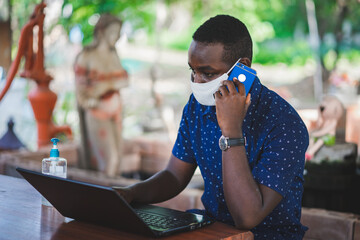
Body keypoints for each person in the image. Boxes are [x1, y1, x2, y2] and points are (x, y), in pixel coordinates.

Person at [114, 15, 309, 239]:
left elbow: (247, 218)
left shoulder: (284, 124)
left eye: (207, 73)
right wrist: (130, 193)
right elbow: (174, 175)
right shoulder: (198, 107)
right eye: (192, 71)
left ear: (242, 68)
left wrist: (231, 131)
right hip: (212, 229)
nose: (197, 82)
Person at [74, 14, 128, 177]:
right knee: (109, 161)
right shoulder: (87, 56)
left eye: (118, 32)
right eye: (112, 32)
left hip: (116, 110)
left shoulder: (113, 54)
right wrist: (93, 96)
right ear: (102, 32)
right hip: (98, 111)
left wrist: (105, 85)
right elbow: (81, 90)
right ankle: (105, 198)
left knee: (118, 159)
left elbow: (124, 80)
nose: (116, 37)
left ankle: (114, 197)